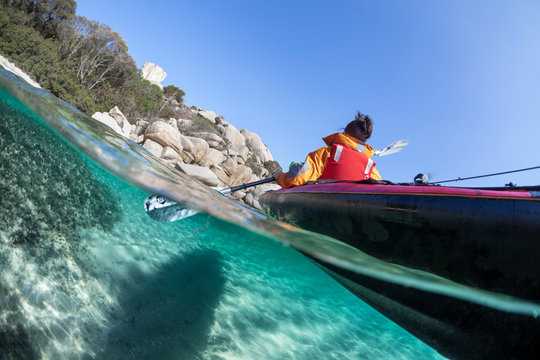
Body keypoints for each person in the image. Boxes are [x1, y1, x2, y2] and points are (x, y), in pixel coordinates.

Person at [274, 112, 382, 189]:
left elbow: (297, 177)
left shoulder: (328, 153)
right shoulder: (371, 169)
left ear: (344, 133)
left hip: (323, 202)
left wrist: (279, 177)